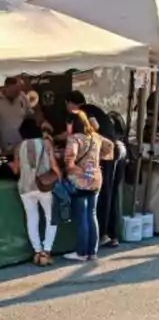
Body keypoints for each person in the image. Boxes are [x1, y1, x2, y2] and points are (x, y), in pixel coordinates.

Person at [66, 91, 123, 248]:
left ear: (70, 104)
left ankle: (104, 234)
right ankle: (112, 235)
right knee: (110, 193)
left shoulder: (83, 113)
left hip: (105, 155)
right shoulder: (94, 108)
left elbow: (93, 127)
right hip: (112, 151)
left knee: (104, 194)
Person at [14, 117, 59, 265]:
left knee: (32, 219)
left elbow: (16, 169)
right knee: (50, 217)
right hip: (44, 185)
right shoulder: (46, 143)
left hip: (25, 187)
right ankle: (46, 252)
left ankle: (37, 252)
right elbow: (53, 165)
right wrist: (60, 176)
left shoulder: (18, 147)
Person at [63, 110, 102, 262]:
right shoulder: (96, 137)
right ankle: (92, 252)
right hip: (96, 180)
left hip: (80, 182)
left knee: (82, 217)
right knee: (92, 215)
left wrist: (81, 171)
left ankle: (81, 253)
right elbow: (109, 148)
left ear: (73, 123)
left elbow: (69, 162)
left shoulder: (74, 139)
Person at [0, 77, 33, 151]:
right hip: (4, 148)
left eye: (19, 90)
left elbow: (30, 116)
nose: (17, 94)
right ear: (6, 87)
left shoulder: (22, 97)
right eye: (14, 91)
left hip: (23, 146)